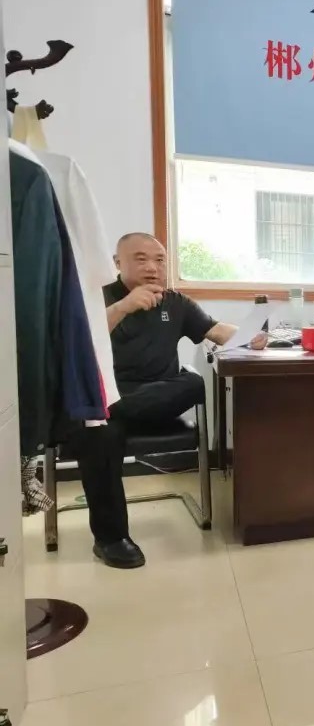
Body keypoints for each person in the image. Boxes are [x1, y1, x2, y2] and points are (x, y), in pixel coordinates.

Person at [72, 232, 267, 568]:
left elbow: (216, 331)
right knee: (99, 433)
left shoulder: (176, 302)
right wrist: (123, 307)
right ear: (117, 263)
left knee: (192, 382)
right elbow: (78, 343)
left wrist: (255, 338)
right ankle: (111, 539)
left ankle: (112, 409)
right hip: (110, 398)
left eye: (160, 260)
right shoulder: (95, 298)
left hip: (155, 399)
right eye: (141, 259)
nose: (153, 267)